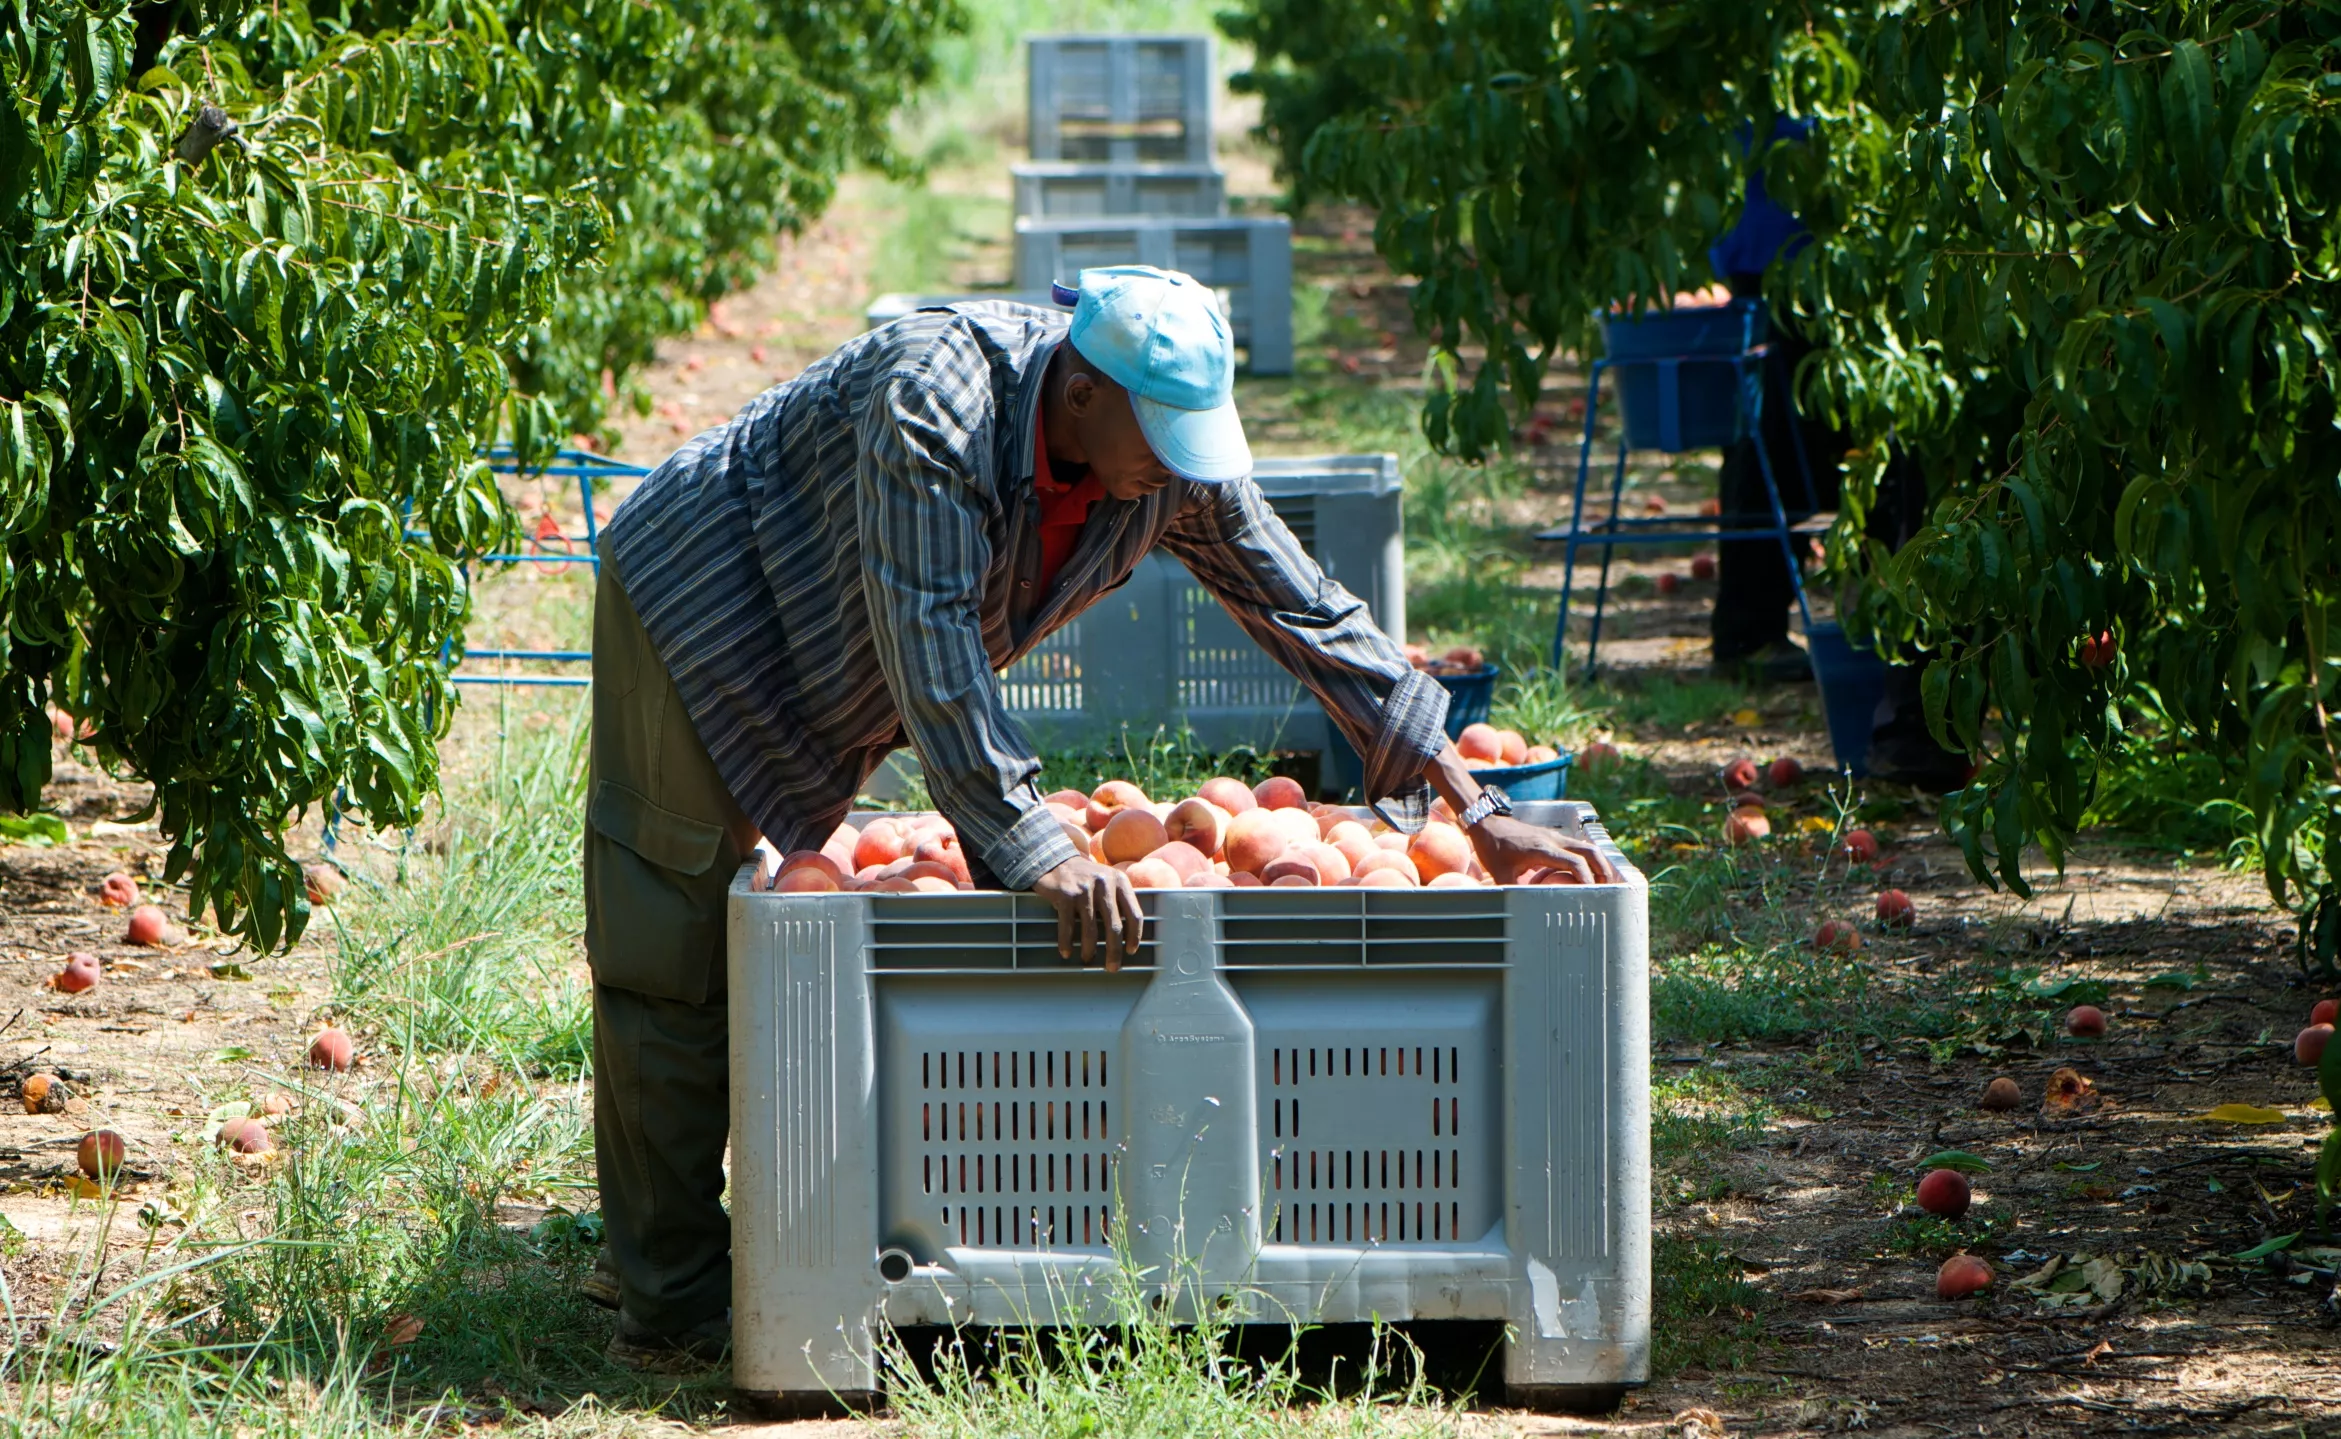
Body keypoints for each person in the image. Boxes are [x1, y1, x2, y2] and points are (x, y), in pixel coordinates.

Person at [577, 265, 1619, 1370]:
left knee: (776, 919)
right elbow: (931, 640)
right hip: (706, 606)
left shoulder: (1159, 466)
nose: (1175, 463)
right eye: (1158, 434)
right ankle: (670, 1288)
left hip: (838, 647)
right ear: (1079, 392)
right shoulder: (933, 400)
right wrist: (1030, 842)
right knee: (673, 928)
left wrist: (1471, 796)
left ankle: (745, 1235)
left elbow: (1302, 603)